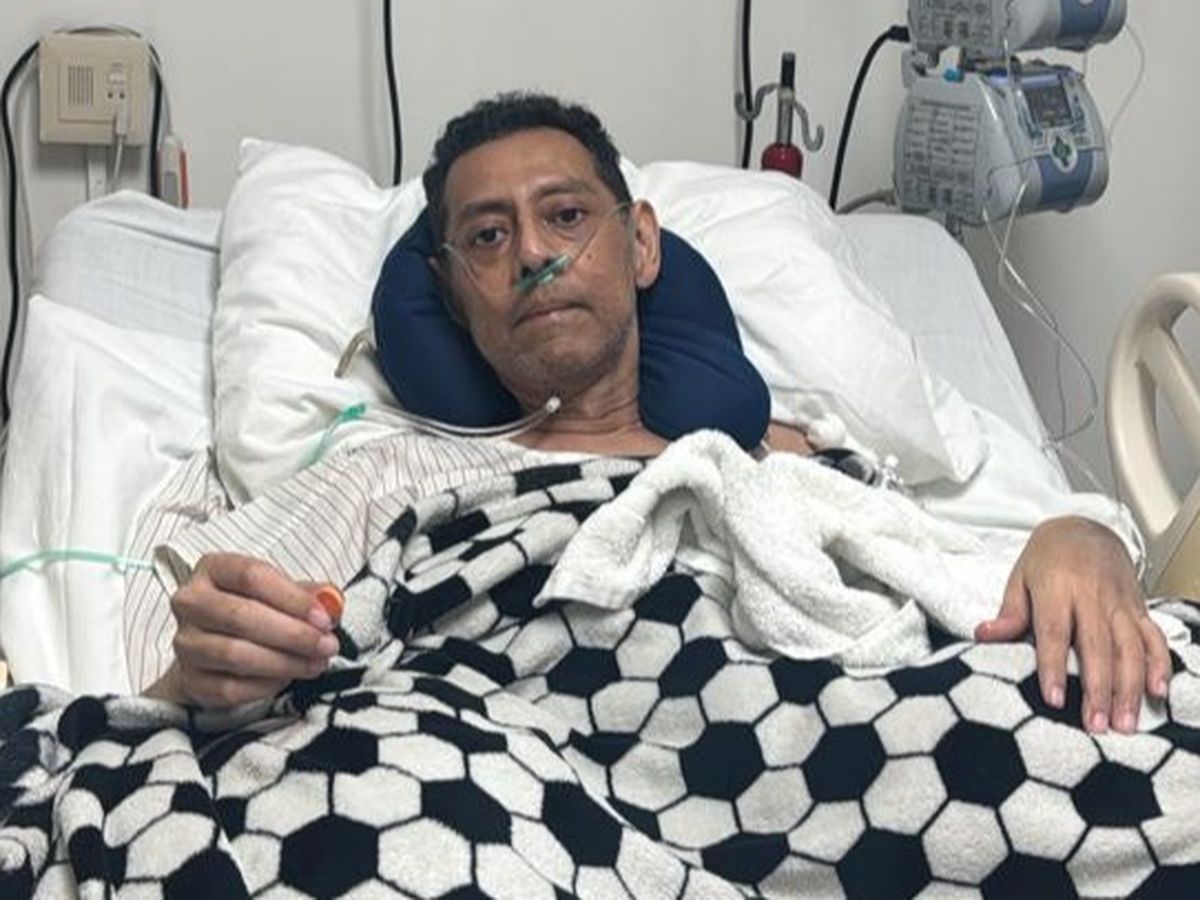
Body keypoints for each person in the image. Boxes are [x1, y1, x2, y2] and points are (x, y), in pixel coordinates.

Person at [146, 92, 1170, 737]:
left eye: (566, 216)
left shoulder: (786, 459)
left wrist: (1081, 537)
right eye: (488, 238)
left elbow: (956, 572)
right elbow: (178, 672)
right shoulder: (388, 474)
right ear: (452, 293)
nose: (534, 254)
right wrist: (205, 667)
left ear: (641, 245)